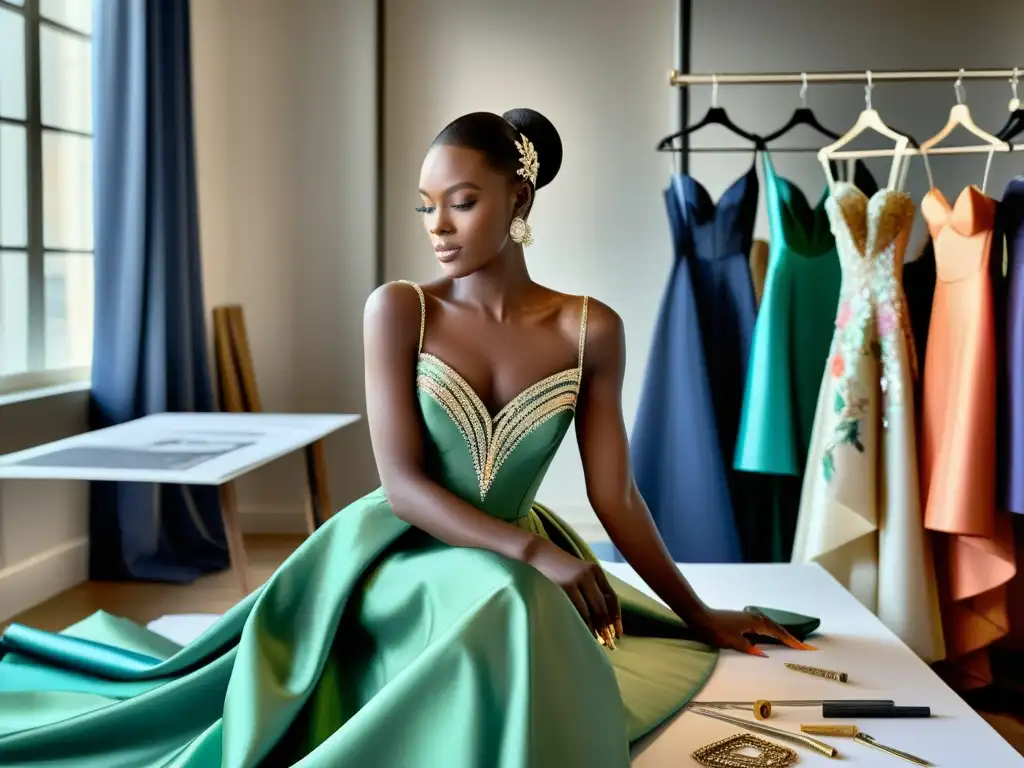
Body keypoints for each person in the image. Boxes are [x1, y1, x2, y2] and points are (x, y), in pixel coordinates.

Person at [0, 108, 812, 768]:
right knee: (512, 598)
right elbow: (404, 487)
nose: (438, 225)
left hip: (515, 551)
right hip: (402, 547)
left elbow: (617, 495)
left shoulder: (589, 328)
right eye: (427, 205)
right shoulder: (400, 308)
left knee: (517, 603)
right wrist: (536, 555)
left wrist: (700, 614)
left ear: (519, 202)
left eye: (462, 200)